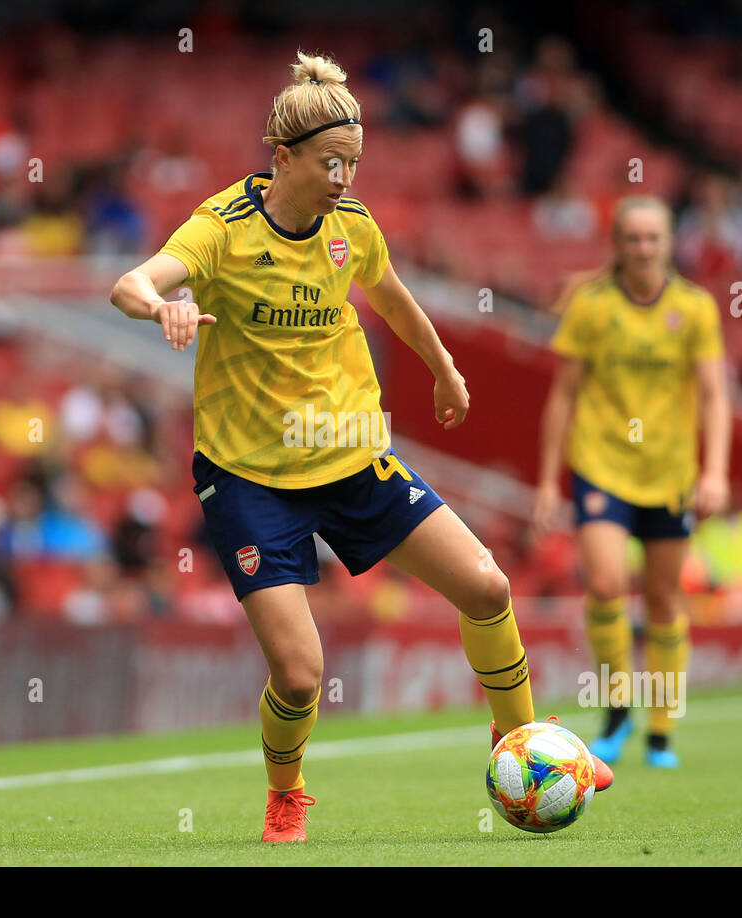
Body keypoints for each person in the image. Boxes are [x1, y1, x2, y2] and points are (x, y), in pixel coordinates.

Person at [110, 51, 613, 843]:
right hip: (250, 479)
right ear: (282, 158)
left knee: (487, 586)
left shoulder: (352, 228)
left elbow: (394, 299)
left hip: (352, 460)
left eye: (352, 162)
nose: (344, 177)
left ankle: (522, 744)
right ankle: (286, 795)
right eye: (329, 163)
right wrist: (160, 307)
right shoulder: (223, 230)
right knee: (301, 672)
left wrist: (444, 369)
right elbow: (132, 282)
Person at [534, 195, 731, 769]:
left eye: (653, 238)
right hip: (602, 464)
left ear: (670, 244)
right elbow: (563, 393)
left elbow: (716, 396)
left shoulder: (695, 308)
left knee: (666, 598)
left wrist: (715, 469)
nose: (643, 248)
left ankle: (662, 728)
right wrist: (548, 481)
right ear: (617, 244)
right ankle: (618, 709)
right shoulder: (591, 306)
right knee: (604, 582)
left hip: (669, 472)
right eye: (633, 238)